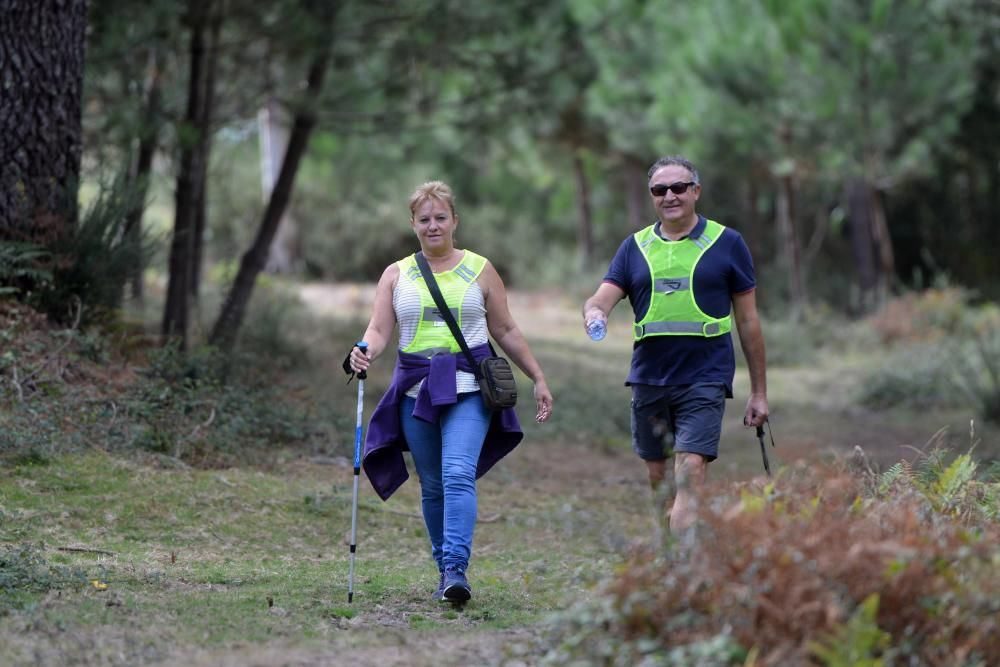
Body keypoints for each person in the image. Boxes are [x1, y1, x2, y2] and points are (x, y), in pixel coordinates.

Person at [347, 180, 553, 602]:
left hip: (468, 388)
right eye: (425, 219)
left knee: (458, 473)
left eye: (441, 217)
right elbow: (380, 329)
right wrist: (364, 349)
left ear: (455, 221)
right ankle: (445, 569)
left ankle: (457, 567)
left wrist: (538, 376)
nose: (433, 225)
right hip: (415, 391)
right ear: (413, 224)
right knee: (433, 485)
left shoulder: (479, 269)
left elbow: (506, 328)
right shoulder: (396, 274)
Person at [582, 155, 768, 539]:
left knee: (690, 473)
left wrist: (759, 393)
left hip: (705, 378)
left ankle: (683, 570)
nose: (670, 195)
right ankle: (672, 558)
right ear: (652, 197)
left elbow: (748, 322)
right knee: (660, 481)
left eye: (679, 187)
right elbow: (601, 298)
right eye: (660, 190)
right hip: (649, 379)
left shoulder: (727, 243)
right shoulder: (634, 247)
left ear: (696, 191)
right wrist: (595, 314)